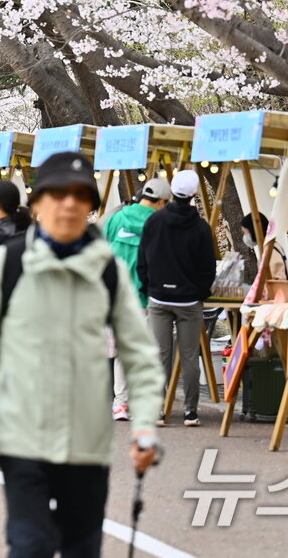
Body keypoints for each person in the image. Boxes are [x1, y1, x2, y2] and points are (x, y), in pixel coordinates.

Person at [0, 152, 163, 558]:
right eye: (57, 194)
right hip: (20, 439)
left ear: (90, 207)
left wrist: (146, 425)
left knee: (82, 550)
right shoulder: (5, 265)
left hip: (87, 443)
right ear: (36, 204)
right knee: (30, 546)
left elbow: (139, 355)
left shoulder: (107, 270)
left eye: (80, 196)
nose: (68, 204)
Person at [137, 168, 216, 427]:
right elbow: (208, 267)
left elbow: (143, 259)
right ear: (193, 195)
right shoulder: (201, 228)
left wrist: (148, 285)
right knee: (190, 356)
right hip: (189, 301)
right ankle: (190, 412)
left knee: (160, 354)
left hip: (159, 299)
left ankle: (160, 410)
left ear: (171, 192)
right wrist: (200, 292)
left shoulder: (154, 222)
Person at [104, 176, 171, 421]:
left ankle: (120, 403)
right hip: (146, 297)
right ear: (162, 201)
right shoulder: (160, 223)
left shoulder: (117, 218)